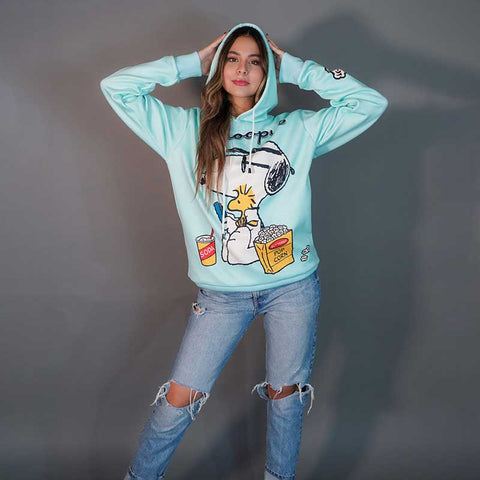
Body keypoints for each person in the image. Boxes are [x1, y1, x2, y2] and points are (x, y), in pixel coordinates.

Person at [100, 22, 388, 480]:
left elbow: (370, 103)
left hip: (292, 288)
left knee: (285, 402)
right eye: (231, 58)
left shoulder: (297, 129)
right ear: (219, 66)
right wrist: (190, 63)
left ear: (267, 73)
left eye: (255, 61)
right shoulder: (184, 130)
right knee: (177, 401)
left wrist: (296, 68)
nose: (242, 69)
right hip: (221, 296)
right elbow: (116, 87)